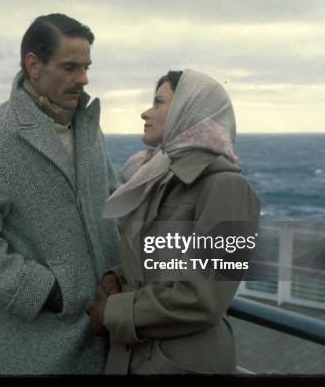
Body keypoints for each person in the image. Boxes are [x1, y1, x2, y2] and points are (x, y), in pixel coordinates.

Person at [0, 13, 120, 374]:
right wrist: (51, 293)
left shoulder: (88, 131)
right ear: (33, 65)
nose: (83, 79)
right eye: (69, 67)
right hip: (38, 349)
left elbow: (112, 208)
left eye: (86, 67)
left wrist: (115, 276)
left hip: (107, 342)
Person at [86, 69, 260, 374]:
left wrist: (114, 312)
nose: (146, 112)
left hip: (181, 363)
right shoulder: (158, 176)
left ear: (187, 109)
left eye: (158, 103)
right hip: (137, 358)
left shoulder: (227, 188)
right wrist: (117, 274)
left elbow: (205, 298)